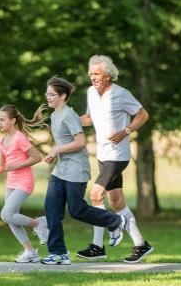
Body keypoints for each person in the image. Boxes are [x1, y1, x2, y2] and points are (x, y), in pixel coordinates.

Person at [40, 76, 127, 265]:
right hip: (60, 169)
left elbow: (80, 142)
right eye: (47, 94)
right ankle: (58, 253)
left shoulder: (68, 115)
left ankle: (115, 221)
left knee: (77, 210)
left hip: (76, 170)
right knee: (52, 209)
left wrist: (55, 150)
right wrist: (55, 154)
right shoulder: (55, 115)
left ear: (63, 96)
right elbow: (65, 143)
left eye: (52, 94)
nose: (48, 97)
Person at [76, 55, 154, 263]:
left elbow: (143, 114)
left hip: (117, 155)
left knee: (95, 194)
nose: (93, 78)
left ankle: (98, 245)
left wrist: (126, 130)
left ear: (108, 76)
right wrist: (66, 119)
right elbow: (89, 118)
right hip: (102, 154)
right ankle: (140, 244)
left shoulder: (121, 94)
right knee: (117, 201)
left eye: (97, 74)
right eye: (91, 74)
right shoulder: (91, 93)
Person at [0, 104, 50, 263]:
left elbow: (36, 157)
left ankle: (39, 223)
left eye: (3, 120)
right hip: (11, 183)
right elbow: (3, 166)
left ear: (12, 121)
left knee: (6, 214)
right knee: (11, 217)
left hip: (24, 183)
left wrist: (17, 166)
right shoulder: (2, 140)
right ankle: (30, 252)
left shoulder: (19, 137)